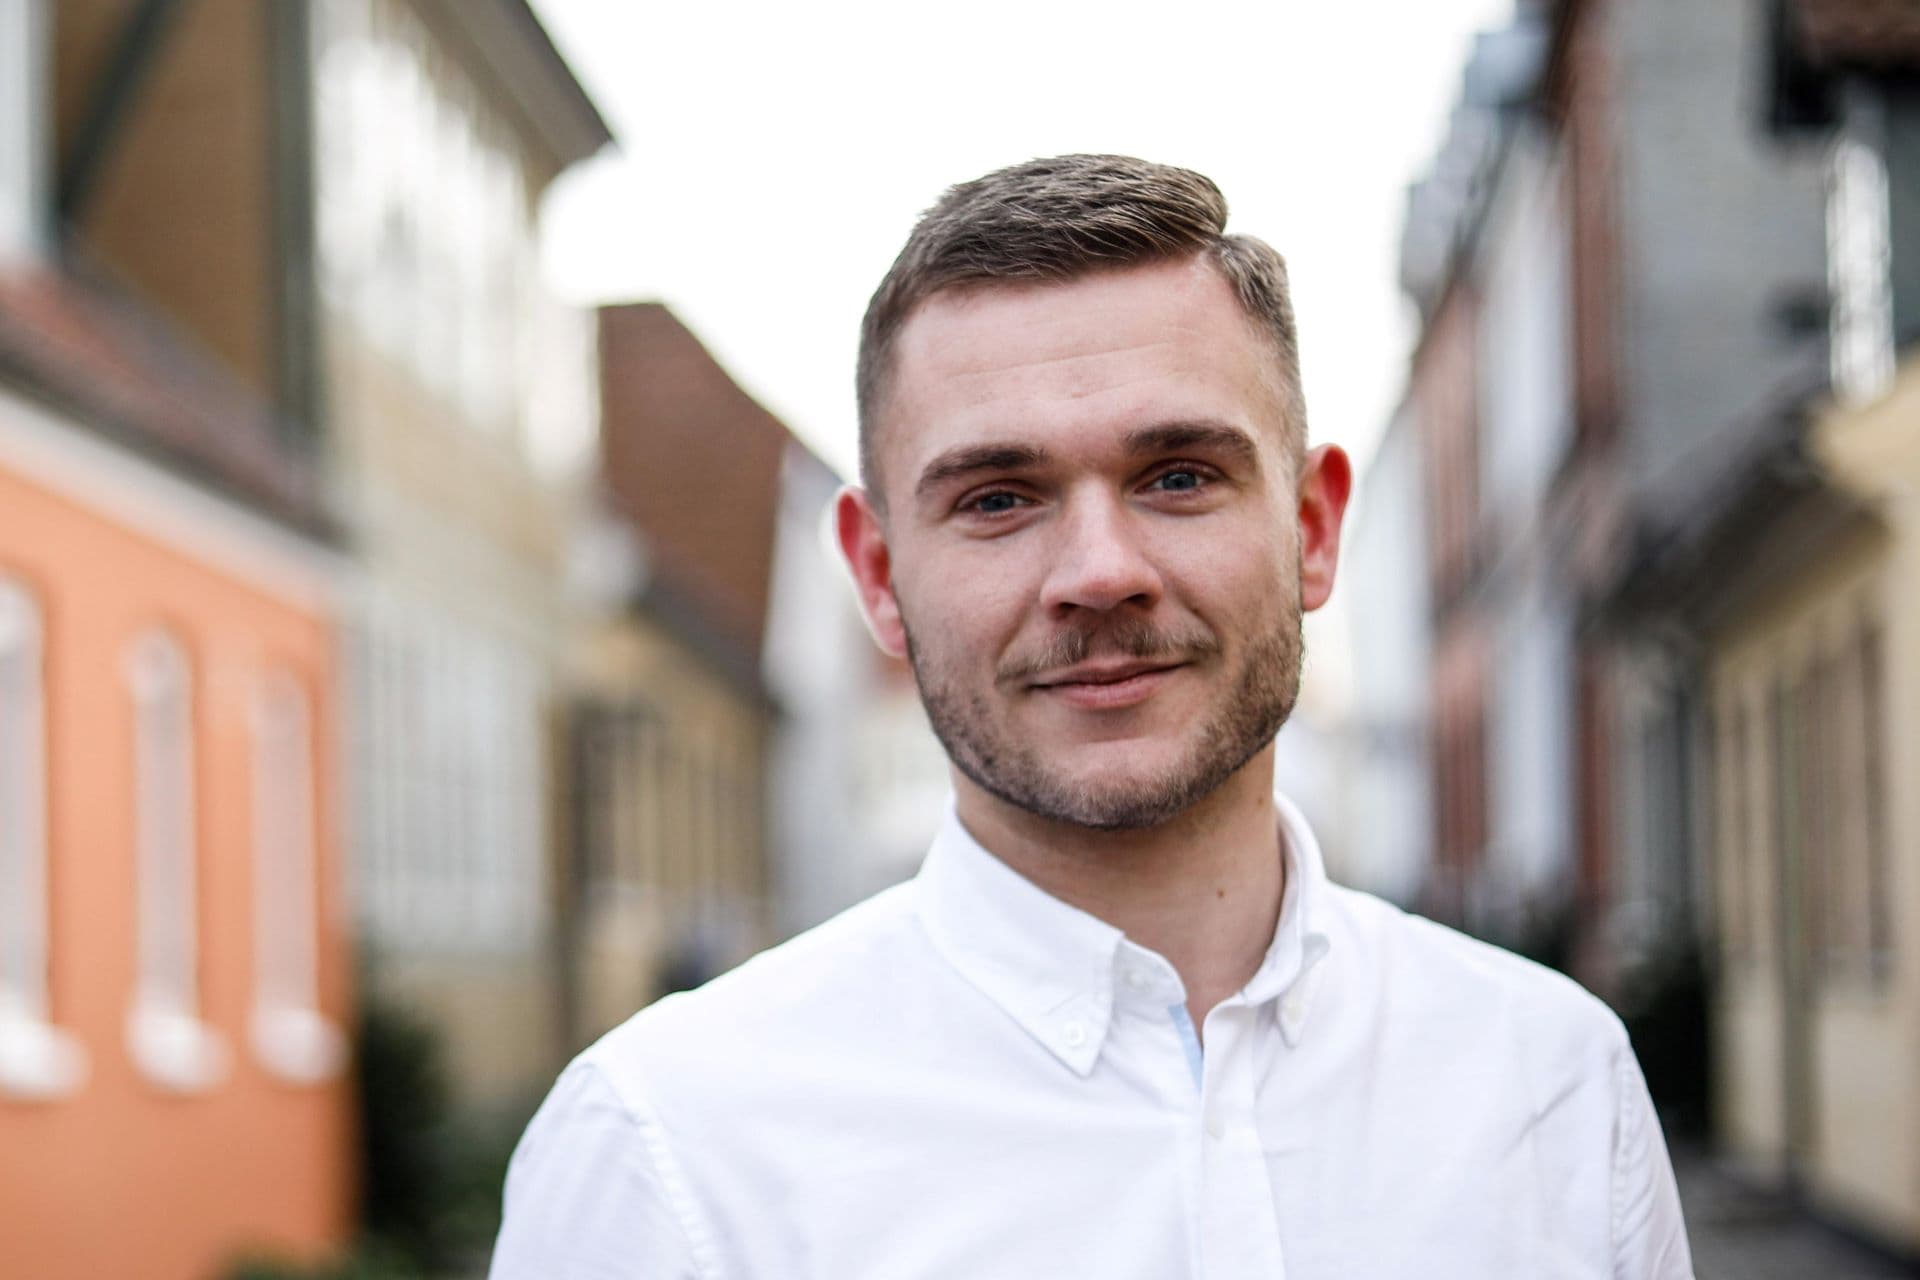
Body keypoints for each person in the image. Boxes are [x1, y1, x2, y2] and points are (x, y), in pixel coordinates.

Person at [489, 154, 1693, 1278]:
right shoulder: (674, 1152)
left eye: (1179, 475)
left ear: (1313, 530)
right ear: (879, 576)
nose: (1100, 571)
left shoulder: (1552, 1082)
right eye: (999, 498)